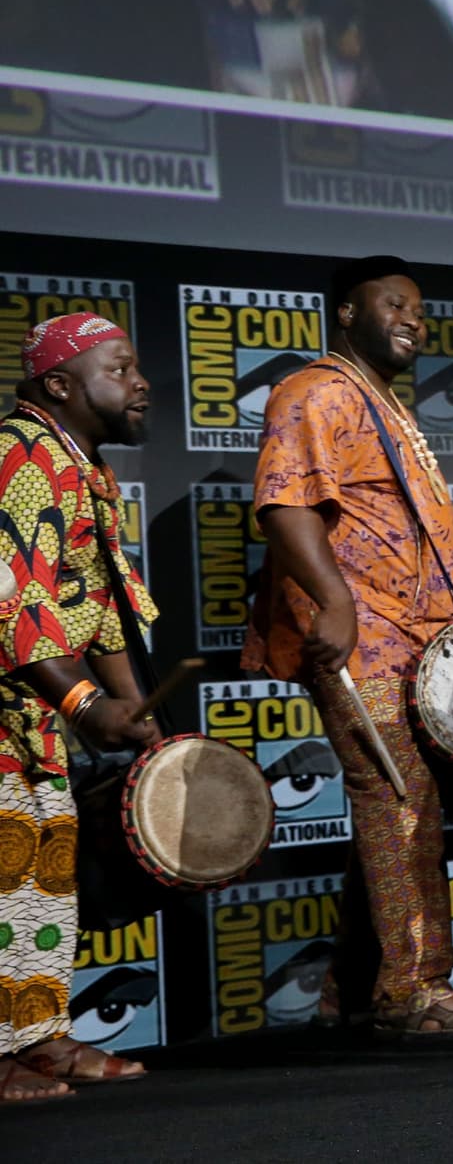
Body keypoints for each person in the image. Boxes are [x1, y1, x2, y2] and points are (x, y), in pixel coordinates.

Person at [243, 256, 453, 1041]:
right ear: (346, 314)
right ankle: (413, 994)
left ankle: (354, 988)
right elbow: (284, 503)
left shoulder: (380, 401)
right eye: (391, 303)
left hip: (413, 639)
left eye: (418, 309)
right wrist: (332, 602)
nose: (411, 318)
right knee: (396, 801)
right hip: (361, 639)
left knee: (404, 808)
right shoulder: (316, 391)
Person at [0, 315, 161, 1104]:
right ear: (60, 385)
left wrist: (134, 711)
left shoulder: (79, 467)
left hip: (33, 720)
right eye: (120, 369)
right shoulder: (21, 457)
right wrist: (86, 702)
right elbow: (12, 605)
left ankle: (36, 1038)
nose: (140, 383)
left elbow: (92, 607)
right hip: (11, 711)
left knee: (39, 882)